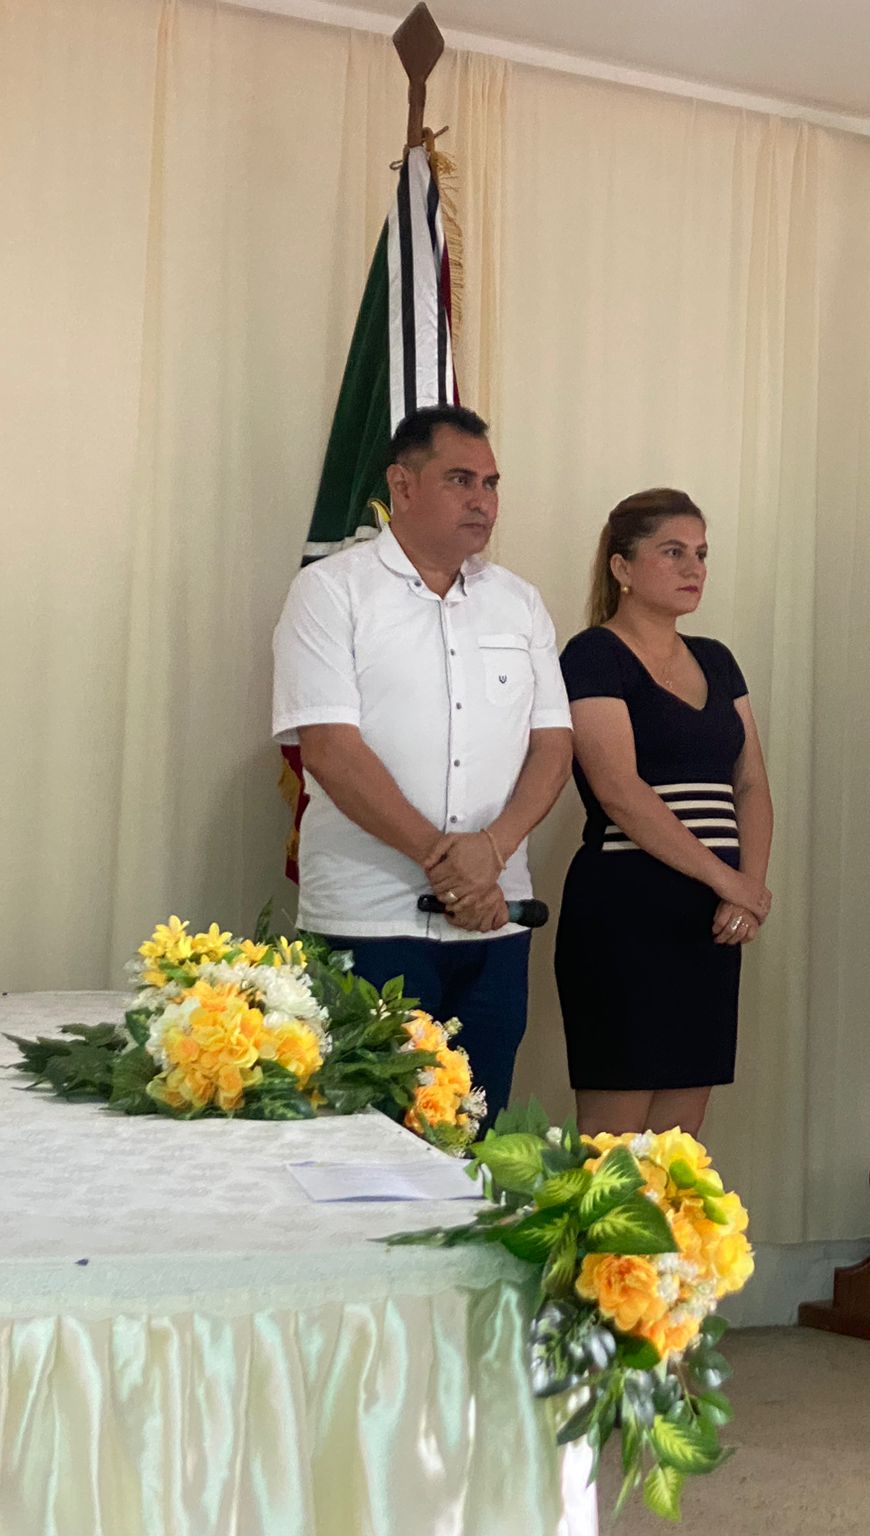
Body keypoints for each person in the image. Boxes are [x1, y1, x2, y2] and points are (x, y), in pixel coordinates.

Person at [272, 404, 573, 1123]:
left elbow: (554, 745)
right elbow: (331, 750)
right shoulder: (332, 591)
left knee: (477, 1135)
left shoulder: (519, 603)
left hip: (495, 922)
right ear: (402, 486)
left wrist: (490, 853)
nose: (482, 500)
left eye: (491, 484)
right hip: (369, 921)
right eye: (460, 480)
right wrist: (448, 861)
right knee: (365, 1141)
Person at [554, 491, 774, 1140]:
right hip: (626, 913)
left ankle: (672, 1223)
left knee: (679, 1143)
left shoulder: (717, 659)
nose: (694, 568)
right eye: (673, 552)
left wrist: (747, 890)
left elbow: (752, 783)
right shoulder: (593, 655)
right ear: (622, 567)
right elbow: (619, 790)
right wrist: (730, 881)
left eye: (701, 554)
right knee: (613, 1142)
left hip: (711, 921)